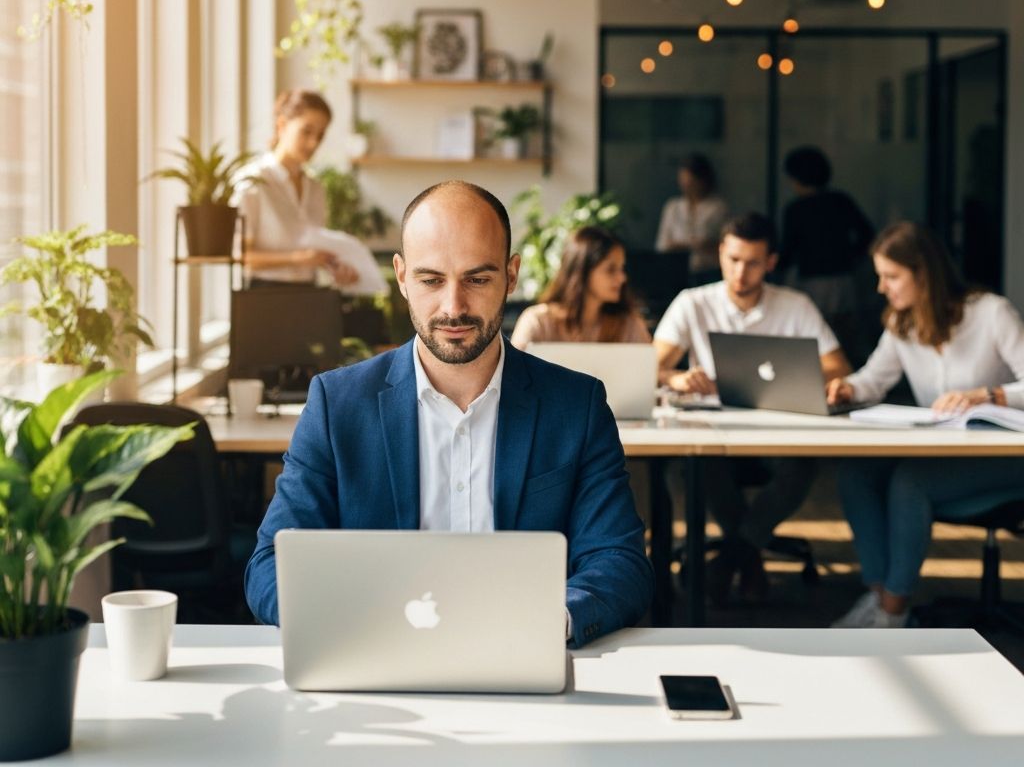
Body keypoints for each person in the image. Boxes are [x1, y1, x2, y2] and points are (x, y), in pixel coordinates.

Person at [244, 181, 653, 646]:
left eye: (477, 279)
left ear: (511, 275)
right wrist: (351, 625)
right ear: (401, 277)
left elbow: (619, 560)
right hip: (374, 655)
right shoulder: (337, 405)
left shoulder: (576, 406)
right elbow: (270, 565)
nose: (453, 307)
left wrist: (547, 623)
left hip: (525, 654)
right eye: (431, 280)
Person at [827, 222, 1024, 628]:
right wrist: (848, 388)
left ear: (923, 273)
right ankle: (880, 596)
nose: (881, 287)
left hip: (1007, 454)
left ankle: (893, 614)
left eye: (891, 276)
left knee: (910, 482)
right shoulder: (903, 323)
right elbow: (873, 379)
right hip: (946, 452)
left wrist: (986, 395)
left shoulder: (991, 313)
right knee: (855, 474)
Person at [653, 212, 852, 605]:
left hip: (778, 432)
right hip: (714, 430)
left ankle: (732, 557)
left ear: (771, 262)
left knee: (801, 465)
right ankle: (748, 554)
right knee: (696, 463)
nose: (740, 273)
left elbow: (839, 368)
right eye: (733, 260)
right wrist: (676, 378)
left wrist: (805, 377)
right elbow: (651, 365)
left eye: (753, 263)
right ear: (720, 254)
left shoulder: (795, 305)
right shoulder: (693, 303)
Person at [237, 89, 358, 287]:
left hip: (309, 292)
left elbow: (314, 251)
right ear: (282, 125)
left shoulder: (316, 189)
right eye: (306, 131)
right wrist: (296, 258)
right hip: (262, 294)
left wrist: (335, 268)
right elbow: (240, 255)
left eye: (320, 135)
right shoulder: (253, 182)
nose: (313, 143)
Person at [777, 146, 875, 358]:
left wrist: (773, 268)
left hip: (811, 281)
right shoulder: (841, 201)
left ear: (796, 178)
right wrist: (852, 257)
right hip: (843, 280)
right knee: (845, 336)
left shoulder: (796, 209)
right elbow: (866, 234)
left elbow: (788, 250)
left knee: (813, 335)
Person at [510, 226, 651, 348]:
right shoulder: (538, 322)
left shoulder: (630, 326)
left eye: (621, 268)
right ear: (582, 271)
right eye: (610, 269)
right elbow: (512, 369)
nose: (622, 278)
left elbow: (649, 367)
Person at [654, 154, 728, 282]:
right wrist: (695, 245)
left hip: (708, 273)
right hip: (675, 274)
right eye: (683, 182)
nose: (687, 186)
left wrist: (681, 245)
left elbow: (719, 245)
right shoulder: (673, 207)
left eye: (692, 182)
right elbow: (662, 245)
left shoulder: (717, 208)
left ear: (702, 181)